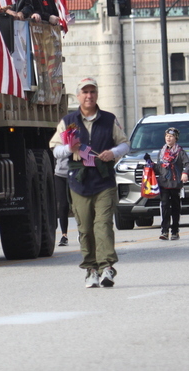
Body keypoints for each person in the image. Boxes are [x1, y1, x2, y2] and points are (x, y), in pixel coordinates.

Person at [50, 77, 130, 288]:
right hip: (79, 182)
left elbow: (124, 145)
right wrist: (70, 149)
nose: (89, 96)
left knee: (103, 225)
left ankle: (107, 268)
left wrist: (112, 153)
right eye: (85, 92)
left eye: (92, 92)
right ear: (78, 96)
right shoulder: (68, 121)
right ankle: (91, 269)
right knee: (85, 228)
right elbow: (56, 150)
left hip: (104, 181)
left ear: (96, 95)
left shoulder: (109, 119)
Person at [149, 127, 189, 240]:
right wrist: (150, 164)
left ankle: (175, 231)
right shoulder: (162, 152)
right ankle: (164, 231)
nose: (168, 138)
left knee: (176, 208)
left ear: (175, 138)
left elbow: (188, 164)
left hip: (175, 183)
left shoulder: (180, 152)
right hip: (163, 183)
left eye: (171, 136)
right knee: (165, 206)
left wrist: (185, 173)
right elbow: (160, 168)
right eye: (167, 136)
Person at [52, 145, 71, 246]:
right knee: (63, 205)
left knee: (78, 205)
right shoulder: (61, 133)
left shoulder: (82, 132)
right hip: (60, 174)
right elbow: (55, 150)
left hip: (76, 173)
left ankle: (83, 233)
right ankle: (64, 235)